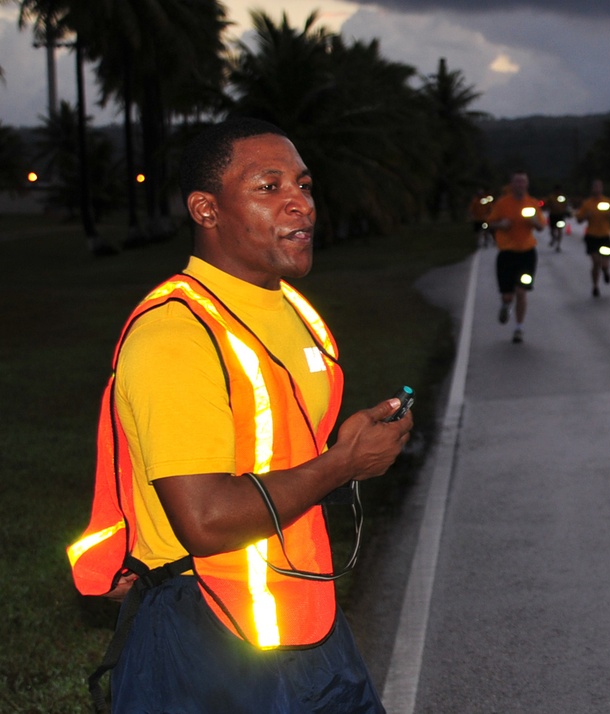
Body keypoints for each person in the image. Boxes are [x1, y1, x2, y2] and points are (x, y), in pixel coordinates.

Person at [67, 118, 412, 713]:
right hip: (204, 638)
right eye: (269, 187)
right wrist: (342, 464)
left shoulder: (296, 313)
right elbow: (204, 518)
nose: (300, 203)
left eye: (303, 185)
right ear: (207, 209)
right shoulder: (175, 334)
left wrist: (345, 449)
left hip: (307, 618)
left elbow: (279, 453)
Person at [487, 171, 544, 343]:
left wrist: (533, 221)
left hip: (527, 254)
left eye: (523, 182)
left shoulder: (532, 203)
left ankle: (519, 328)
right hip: (506, 254)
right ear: (511, 185)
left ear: (527, 184)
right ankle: (505, 304)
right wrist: (500, 224)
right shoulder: (502, 204)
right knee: (508, 295)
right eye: (517, 182)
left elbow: (541, 227)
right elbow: (489, 223)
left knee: (521, 291)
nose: (520, 185)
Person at [575, 179, 610, 297]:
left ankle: (606, 271)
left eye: (599, 187)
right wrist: (585, 216)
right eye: (595, 187)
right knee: (596, 262)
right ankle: (595, 286)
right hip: (592, 237)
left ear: (602, 188)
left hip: (605, 236)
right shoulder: (587, 203)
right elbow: (578, 219)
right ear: (592, 189)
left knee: (604, 263)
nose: (597, 189)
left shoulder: (608, 201)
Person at [544, 185, 570, 251]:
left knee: (560, 230)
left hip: (560, 216)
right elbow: (547, 204)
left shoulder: (562, 197)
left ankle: (558, 245)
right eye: (557, 190)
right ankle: (554, 238)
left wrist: (566, 211)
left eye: (559, 190)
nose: (558, 192)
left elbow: (566, 204)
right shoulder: (551, 197)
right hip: (553, 215)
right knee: (552, 231)